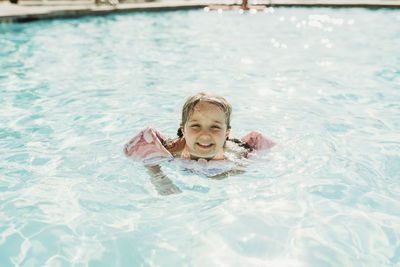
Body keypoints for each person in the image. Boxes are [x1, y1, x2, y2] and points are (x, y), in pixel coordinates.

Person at [124, 92, 276, 195]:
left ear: (226, 133)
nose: (205, 134)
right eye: (196, 126)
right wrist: (160, 179)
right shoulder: (172, 150)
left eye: (215, 127)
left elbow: (249, 163)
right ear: (183, 129)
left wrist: (226, 175)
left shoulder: (236, 153)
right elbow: (147, 157)